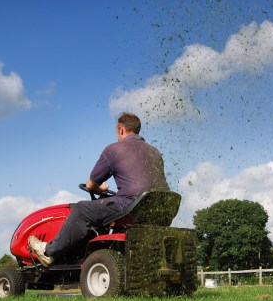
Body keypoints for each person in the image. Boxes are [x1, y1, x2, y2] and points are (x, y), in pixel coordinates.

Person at [28, 112, 169, 267]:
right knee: (108, 210)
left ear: (121, 129)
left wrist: (99, 188)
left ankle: (49, 252)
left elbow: (90, 185)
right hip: (160, 207)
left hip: (132, 204)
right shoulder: (154, 151)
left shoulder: (114, 149)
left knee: (82, 209)